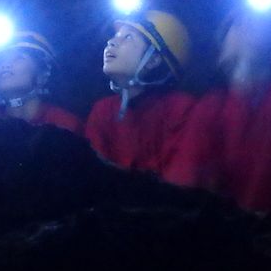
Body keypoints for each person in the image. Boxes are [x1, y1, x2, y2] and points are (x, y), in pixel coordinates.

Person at [179, 8, 271, 218]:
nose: (248, 27)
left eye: (257, 23)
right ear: (222, 48)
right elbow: (188, 177)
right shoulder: (210, 106)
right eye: (238, 24)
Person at [83, 10, 197, 185]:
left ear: (153, 60)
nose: (111, 42)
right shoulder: (103, 111)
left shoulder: (181, 109)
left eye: (127, 38)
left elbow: (180, 184)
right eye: (115, 36)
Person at [0, 31, 82, 132]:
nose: (5, 65)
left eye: (18, 58)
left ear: (43, 75)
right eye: (0, 62)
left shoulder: (65, 125)